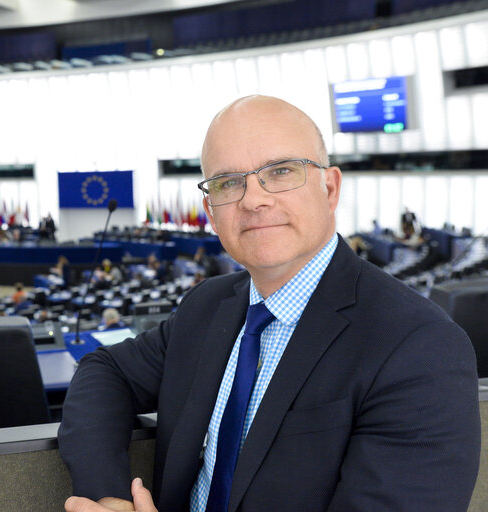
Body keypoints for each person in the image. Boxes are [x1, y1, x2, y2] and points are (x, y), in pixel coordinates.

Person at [58, 95, 480, 512]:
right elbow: (105, 370)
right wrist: (109, 496)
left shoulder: (419, 347)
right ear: (210, 209)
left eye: (280, 172)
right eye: (228, 182)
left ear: (329, 188)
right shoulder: (205, 306)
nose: (253, 199)